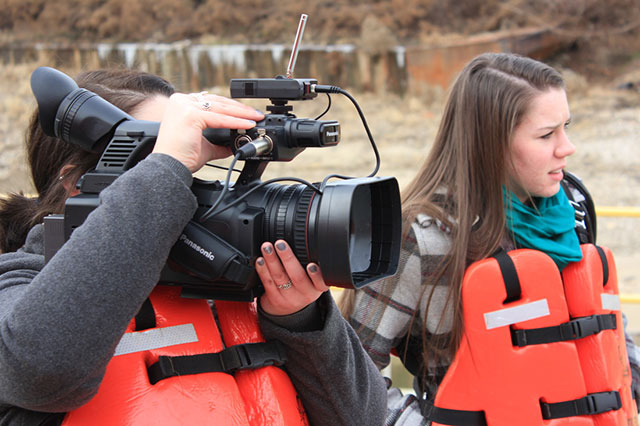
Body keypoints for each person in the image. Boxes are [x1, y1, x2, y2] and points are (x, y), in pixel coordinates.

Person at [0, 68, 386, 425]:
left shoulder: (228, 277)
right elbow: (43, 371)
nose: (185, 194)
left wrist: (299, 318)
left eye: (194, 172)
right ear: (77, 185)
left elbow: (362, 418)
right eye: (165, 170)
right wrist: (168, 167)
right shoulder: (18, 284)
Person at [340, 52, 640, 425]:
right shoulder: (419, 235)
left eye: (566, 127)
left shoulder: (572, 208)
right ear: (491, 143)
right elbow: (349, 371)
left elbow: (601, 321)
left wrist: (628, 384)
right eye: (547, 134)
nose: (567, 147)